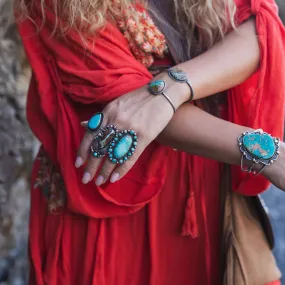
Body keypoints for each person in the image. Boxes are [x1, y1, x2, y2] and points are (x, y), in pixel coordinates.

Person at [15, 0, 285, 284]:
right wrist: (266, 153)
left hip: (204, 181)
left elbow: (257, 26)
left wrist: (173, 86)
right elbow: (129, 109)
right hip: (116, 199)